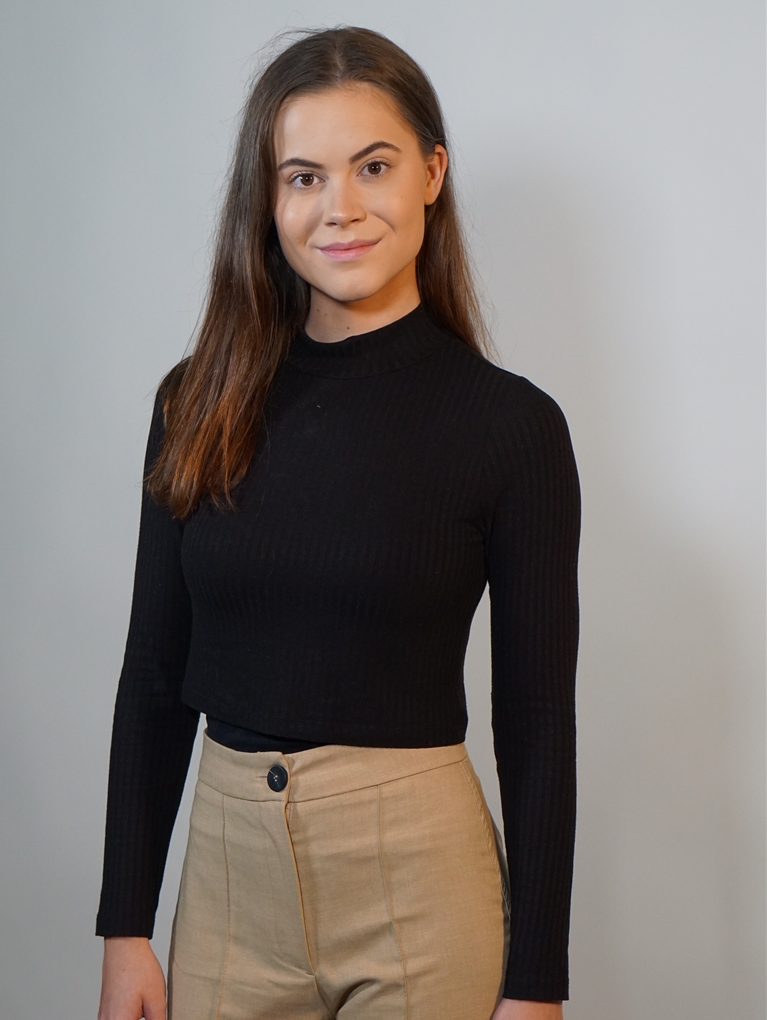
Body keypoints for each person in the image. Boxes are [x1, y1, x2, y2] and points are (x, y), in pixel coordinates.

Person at [96, 25, 580, 1020]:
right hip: (228, 891)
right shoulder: (197, 403)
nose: (340, 208)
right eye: (304, 177)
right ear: (267, 200)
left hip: (422, 889)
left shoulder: (511, 429)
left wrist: (537, 984)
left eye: (373, 167)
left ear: (432, 173)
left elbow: (536, 720)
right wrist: (125, 928)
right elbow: (152, 673)